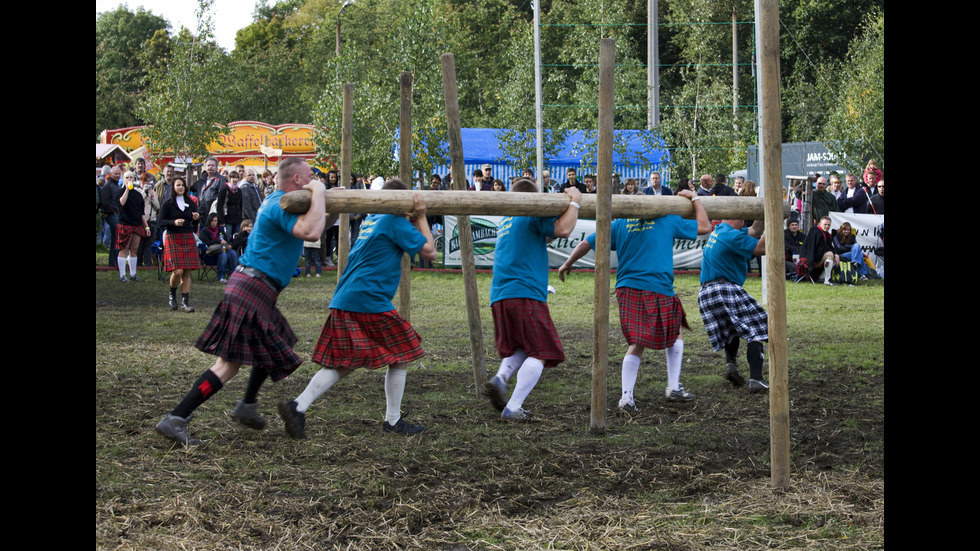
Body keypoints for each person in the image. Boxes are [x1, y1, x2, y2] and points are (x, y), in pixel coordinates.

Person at [156, 158, 330, 446]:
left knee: (274, 343)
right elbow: (311, 233)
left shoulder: (283, 201)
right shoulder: (279, 204)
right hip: (253, 284)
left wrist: (324, 200)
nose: (314, 179)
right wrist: (321, 191)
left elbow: (317, 223)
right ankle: (176, 418)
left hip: (254, 285)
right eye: (310, 175)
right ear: (298, 180)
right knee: (228, 365)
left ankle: (247, 405)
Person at [278, 178, 435, 438]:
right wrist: (421, 217)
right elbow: (429, 251)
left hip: (349, 296)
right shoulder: (393, 222)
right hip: (367, 299)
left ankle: (298, 405)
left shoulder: (374, 218)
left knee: (348, 362)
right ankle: (392, 421)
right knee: (401, 352)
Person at [558, 187, 711, 411]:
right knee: (675, 330)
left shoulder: (619, 224)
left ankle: (627, 397)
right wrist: (695, 199)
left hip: (628, 288)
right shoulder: (666, 219)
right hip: (659, 286)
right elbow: (705, 227)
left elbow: (585, 243)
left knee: (637, 342)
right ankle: (672, 386)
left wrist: (567, 263)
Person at [482, 179, 582, 421]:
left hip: (501, 295)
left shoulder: (509, 218)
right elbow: (564, 230)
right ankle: (513, 407)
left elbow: (545, 236)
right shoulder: (532, 209)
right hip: (524, 293)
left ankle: (501, 378)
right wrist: (575, 201)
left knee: (521, 347)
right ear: (534, 198)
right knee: (542, 350)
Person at [698, 216, 770, 392]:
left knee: (733, 329)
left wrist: (764, 214)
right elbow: (762, 247)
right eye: (743, 218)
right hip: (724, 288)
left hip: (705, 292)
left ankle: (731, 363)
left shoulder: (721, 231)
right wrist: (775, 223)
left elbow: (755, 231)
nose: (745, 222)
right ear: (735, 217)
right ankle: (756, 379)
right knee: (759, 326)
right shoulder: (732, 237)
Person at [159, 178, 201, 312]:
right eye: (178, 185)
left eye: (183, 185)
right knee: (178, 271)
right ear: (173, 187)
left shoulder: (190, 202)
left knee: (187, 271)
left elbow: (194, 225)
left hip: (187, 236)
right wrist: (173, 222)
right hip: (173, 237)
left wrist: (196, 219)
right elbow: (160, 222)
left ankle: (185, 302)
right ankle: (172, 294)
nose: (181, 187)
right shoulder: (167, 204)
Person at [115, 170, 150, 282]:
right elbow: (122, 203)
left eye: (131, 178)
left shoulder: (139, 195)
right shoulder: (120, 192)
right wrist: (126, 189)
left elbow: (142, 213)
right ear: (123, 179)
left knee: (134, 249)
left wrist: (146, 227)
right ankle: (122, 275)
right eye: (127, 178)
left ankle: (133, 274)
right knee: (123, 249)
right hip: (124, 224)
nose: (129, 179)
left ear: (134, 179)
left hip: (137, 225)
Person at [199, 213, 239, 283]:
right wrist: (219, 241)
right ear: (209, 221)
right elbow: (207, 242)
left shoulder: (220, 230)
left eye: (215, 221)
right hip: (210, 254)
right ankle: (221, 276)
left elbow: (226, 240)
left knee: (233, 253)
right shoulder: (204, 231)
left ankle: (233, 276)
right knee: (223, 255)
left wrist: (228, 245)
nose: (214, 223)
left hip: (223, 250)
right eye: (212, 221)